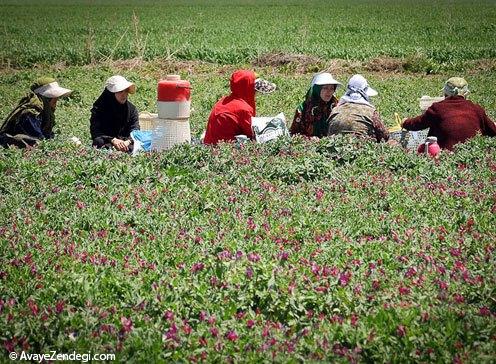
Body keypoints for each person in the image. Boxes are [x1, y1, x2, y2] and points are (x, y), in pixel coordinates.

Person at [401, 77, 496, 150]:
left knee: (423, 148)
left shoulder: (438, 108)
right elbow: (493, 130)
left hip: (445, 155)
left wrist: (405, 122)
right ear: (466, 94)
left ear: (445, 93)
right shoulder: (477, 109)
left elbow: (418, 124)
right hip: (473, 154)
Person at [203, 70, 276, 145]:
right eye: (254, 90)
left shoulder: (225, 100)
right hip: (222, 148)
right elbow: (252, 134)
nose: (255, 94)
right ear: (248, 89)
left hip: (210, 144)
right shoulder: (243, 108)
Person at [0, 77, 72, 148]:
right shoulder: (31, 112)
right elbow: (39, 138)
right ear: (47, 98)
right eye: (55, 98)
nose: (56, 100)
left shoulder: (43, 110)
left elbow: (47, 134)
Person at [327, 74, 389, 142]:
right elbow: (384, 136)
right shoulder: (371, 112)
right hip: (360, 148)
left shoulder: (335, 109)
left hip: (335, 146)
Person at [90, 75, 140, 152]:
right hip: (108, 140)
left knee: (143, 141)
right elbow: (95, 131)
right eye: (120, 91)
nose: (124, 95)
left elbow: (135, 128)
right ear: (111, 93)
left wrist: (128, 141)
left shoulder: (131, 109)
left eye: (126, 91)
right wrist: (113, 140)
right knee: (99, 142)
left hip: (126, 142)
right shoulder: (99, 108)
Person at [290, 72, 341, 138]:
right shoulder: (303, 108)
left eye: (331, 88)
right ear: (317, 89)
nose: (329, 91)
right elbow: (294, 133)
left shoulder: (336, 106)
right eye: (325, 88)